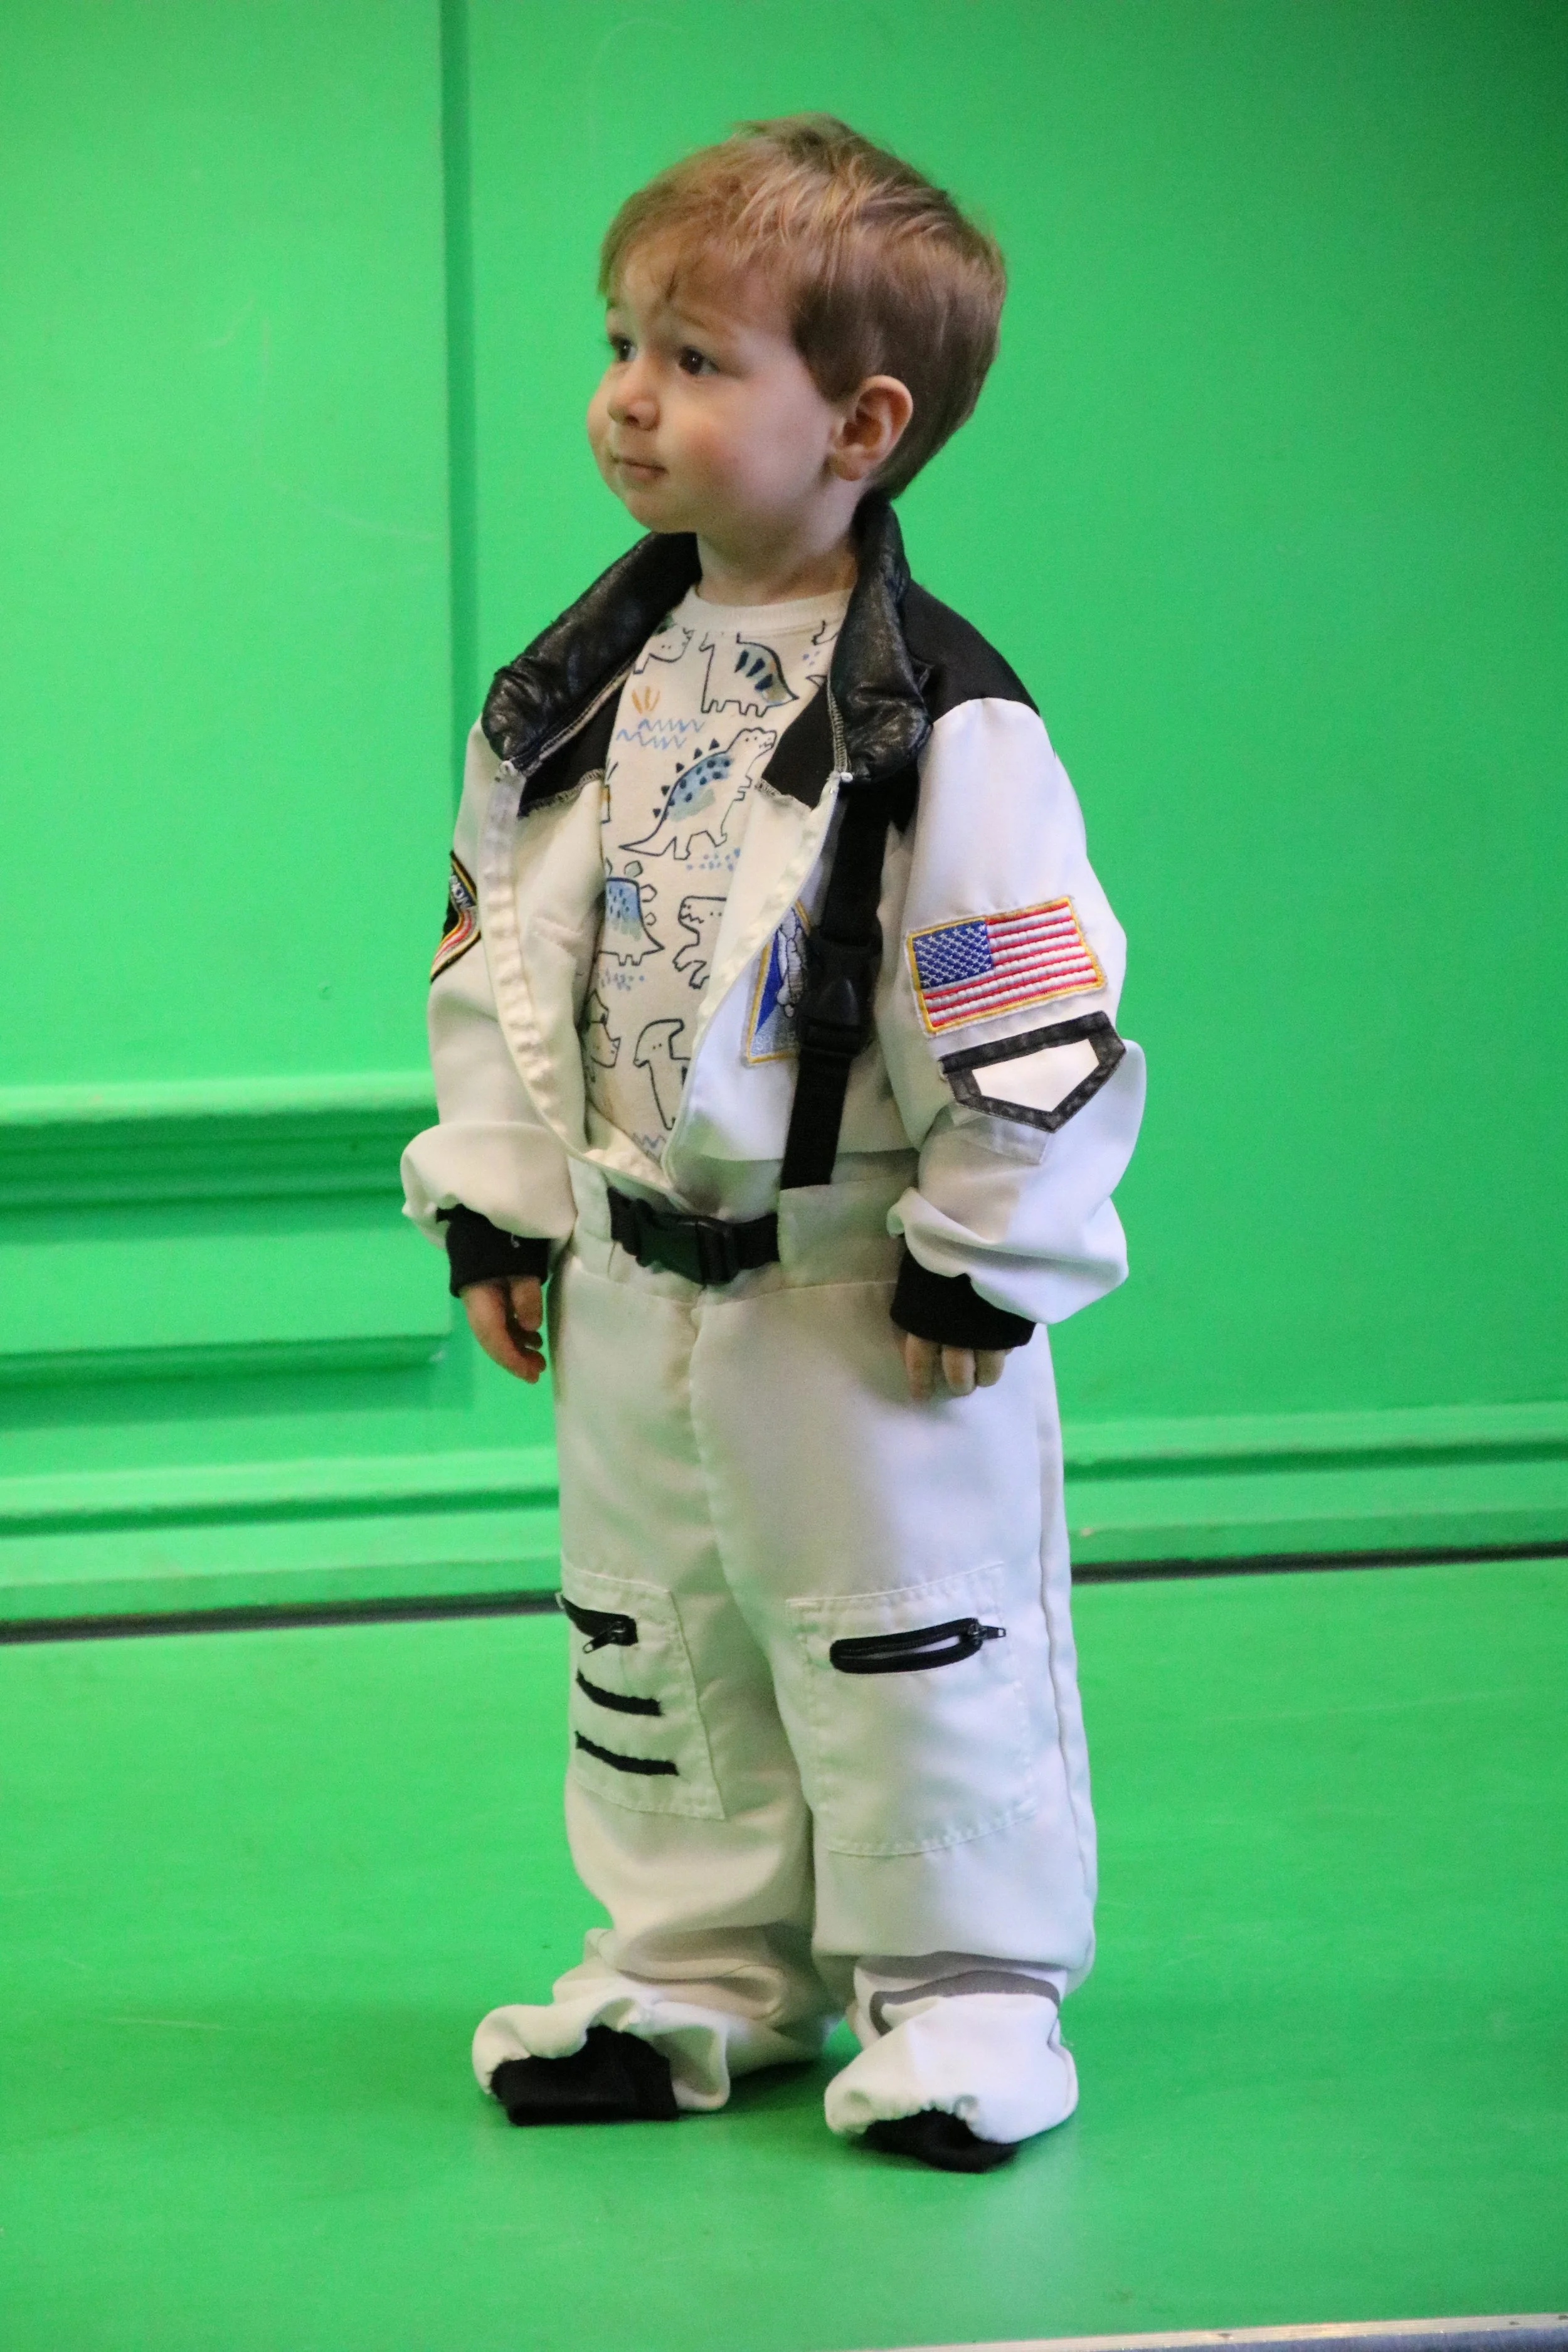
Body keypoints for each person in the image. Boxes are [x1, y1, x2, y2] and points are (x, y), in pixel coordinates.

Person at [401, 114, 1145, 2174]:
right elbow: (500, 957)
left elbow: (1020, 1001)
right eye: (622, 341)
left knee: (908, 1620)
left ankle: (958, 1983)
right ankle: (693, 1964)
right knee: (650, 1628)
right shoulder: (573, 689)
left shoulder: (945, 723)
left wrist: (984, 1241)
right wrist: (501, 1192)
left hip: (854, 1289)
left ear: (866, 424)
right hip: (642, 1264)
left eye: (698, 359)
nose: (628, 396)